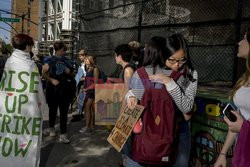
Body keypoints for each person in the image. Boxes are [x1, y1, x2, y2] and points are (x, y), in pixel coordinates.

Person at [126, 34, 198, 167]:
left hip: (176, 131)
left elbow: (187, 109)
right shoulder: (150, 73)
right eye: (172, 60)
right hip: (149, 130)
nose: (177, 65)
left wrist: (170, 83)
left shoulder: (189, 74)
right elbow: (138, 93)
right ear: (163, 55)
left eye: (182, 60)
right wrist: (130, 95)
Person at [0, 34, 46, 167]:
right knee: (27, 138)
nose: (32, 48)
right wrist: (41, 105)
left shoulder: (9, 61)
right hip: (27, 109)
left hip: (10, 108)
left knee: (11, 135)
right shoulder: (31, 65)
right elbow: (37, 90)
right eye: (31, 45)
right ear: (27, 47)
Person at [214, 27, 250, 167]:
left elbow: (241, 125)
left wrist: (243, 127)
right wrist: (222, 154)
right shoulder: (245, 77)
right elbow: (238, 119)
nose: (240, 42)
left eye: (246, 38)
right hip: (241, 151)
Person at [42, 41, 73, 144]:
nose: (63, 53)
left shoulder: (66, 60)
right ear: (57, 50)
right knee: (53, 110)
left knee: (64, 112)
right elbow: (43, 74)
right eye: (62, 51)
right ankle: (52, 129)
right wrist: (51, 80)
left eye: (63, 51)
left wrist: (69, 71)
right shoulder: (49, 60)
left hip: (64, 89)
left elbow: (72, 72)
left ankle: (63, 134)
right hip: (53, 89)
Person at [79, 55, 100, 133]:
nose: (85, 60)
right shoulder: (88, 69)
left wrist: (86, 89)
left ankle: (87, 127)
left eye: (87, 59)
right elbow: (87, 80)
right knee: (90, 109)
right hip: (88, 90)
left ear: (91, 60)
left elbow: (96, 82)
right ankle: (91, 126)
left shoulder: (95, 69)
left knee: (87, 108)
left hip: (92, 91)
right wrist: (83, 87)